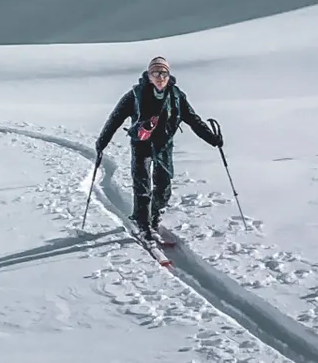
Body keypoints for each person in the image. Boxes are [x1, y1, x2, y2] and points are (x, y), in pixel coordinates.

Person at [95, 56, 222, 242]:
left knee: (163, 185)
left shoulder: (176, 96)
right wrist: (102, 142)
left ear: (169, 75)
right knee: (142, 184)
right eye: (155, 73)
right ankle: (143, 223)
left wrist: (212, 139)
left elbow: (193, 120)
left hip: (163, 145)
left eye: (163, 73)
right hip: (141, 144)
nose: (160, 77)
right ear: (149, 75)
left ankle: (154, 215)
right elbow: (115, 118)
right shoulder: (135, 95)